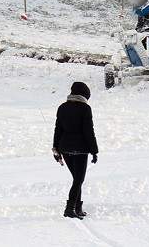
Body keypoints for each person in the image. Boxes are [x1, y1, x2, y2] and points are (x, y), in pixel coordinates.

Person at [52, 81, 98, 220]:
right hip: (80, 148)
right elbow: (89, 131)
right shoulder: (85, 108)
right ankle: (70, 208)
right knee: (79, 179)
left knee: (77, 179)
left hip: (64, 147)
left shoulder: (62, 107)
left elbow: (58, 129)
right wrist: (94, 151)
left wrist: (56, 149)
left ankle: (77, 207)